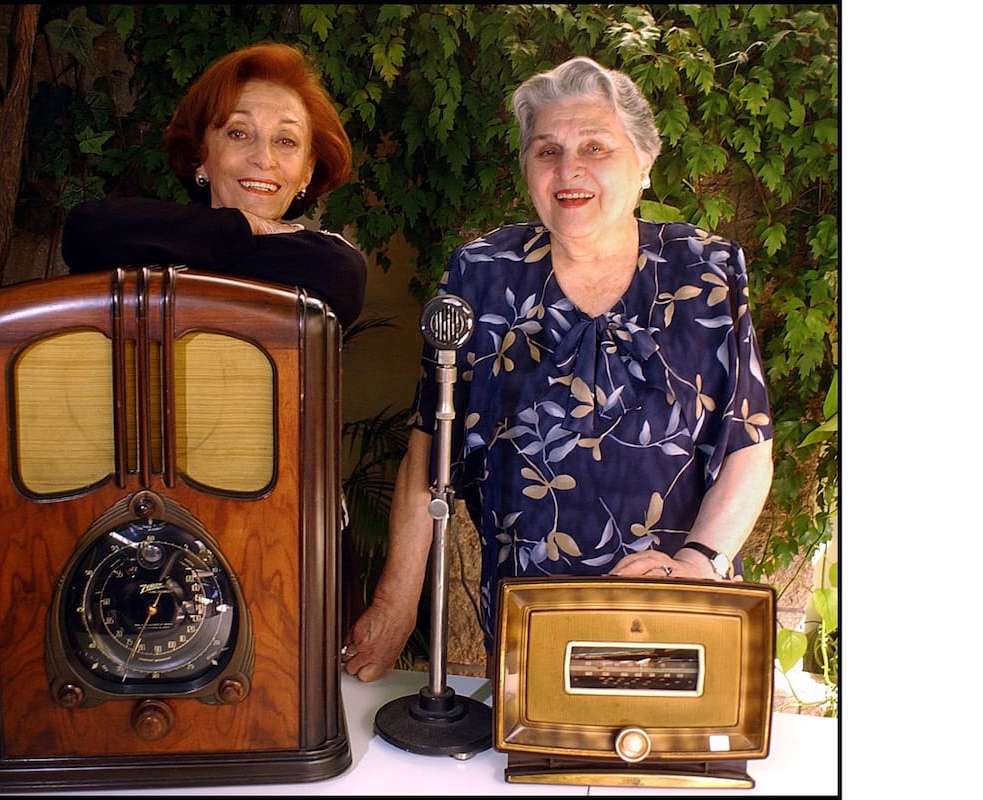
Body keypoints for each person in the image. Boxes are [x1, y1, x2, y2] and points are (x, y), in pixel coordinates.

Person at [341, 56, 774, 682]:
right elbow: (430, 449)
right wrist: (395, 604)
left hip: (678, 605)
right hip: (530, 615)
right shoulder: (482, 274)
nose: (569, 170)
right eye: (547, 151)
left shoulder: (706, 272)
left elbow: (748, 443)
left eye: (596, 147)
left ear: (645, 161)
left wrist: (700, 563)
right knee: (535, 738)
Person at [61, 42, 366, 326]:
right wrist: (244, 225)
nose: (264, 159)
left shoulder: (328, 261)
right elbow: (86, 231)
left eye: (286, 140)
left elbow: (340, 272)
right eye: (238, 133)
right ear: (200, 155)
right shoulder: (134, 229)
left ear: (308, 171)